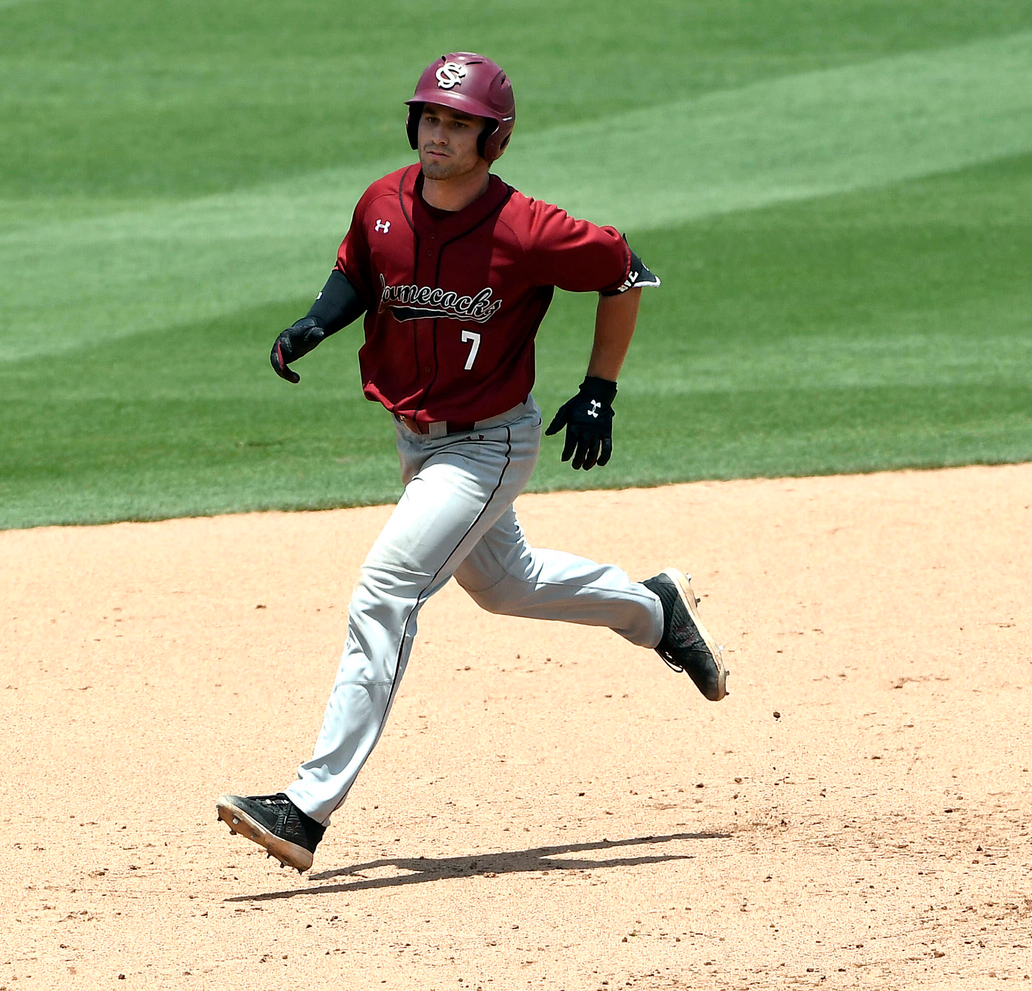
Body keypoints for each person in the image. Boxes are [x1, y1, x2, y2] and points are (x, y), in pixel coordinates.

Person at [217, 52, 727, 873]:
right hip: (418, 439)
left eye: (458, 123)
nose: (438, 133)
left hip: (488, 443)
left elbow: (625, 268)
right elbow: (358, 267)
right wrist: (315, 323)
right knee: (505, 584)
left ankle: (307, 807)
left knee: (386, 586)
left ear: (494, 138)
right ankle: (656, 610)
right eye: (429, 117)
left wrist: (600, 388)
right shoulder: (383, 200)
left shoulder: (526, 227)